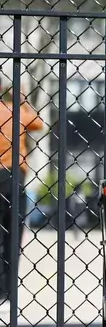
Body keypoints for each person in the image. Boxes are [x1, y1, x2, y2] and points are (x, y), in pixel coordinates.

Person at [0, 86, 44, 303]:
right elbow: (38, 123)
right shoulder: (15, 112)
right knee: (13, 234)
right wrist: (23, 99)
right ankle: (9, 291)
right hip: (13, 174)